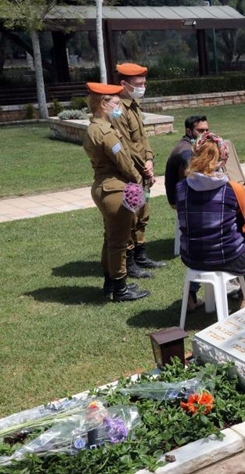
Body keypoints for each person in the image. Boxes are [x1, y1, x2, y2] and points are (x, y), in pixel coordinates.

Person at [176, 132, 245, 309]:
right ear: (223, 159)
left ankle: (191, 295)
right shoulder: (233, 189)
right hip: (227, 258)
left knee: (202, 242)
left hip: (191, 258)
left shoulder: (181, 187)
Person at [83, 82, 149, 302]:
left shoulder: (93, 128)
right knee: (119, 241)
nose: (119, 107)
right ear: (104, 104)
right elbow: (124, 163)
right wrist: (140, 179)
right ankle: (120, 289)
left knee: (110, 238)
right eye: (116, 103)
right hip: (114, 189)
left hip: (104, 187)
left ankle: (110, 283)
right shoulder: (106, 132)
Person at [113, 62, 166, 277]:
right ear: (124, 84)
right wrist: (144, 169)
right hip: (130, 174)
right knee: (131, 217)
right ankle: (130, 261)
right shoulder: (118, 109)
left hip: (143, 171)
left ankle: (141, 254)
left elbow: (143, 139)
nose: (143, 86)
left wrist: (150, 160)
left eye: (144, 82)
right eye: (138, 83)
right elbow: (126, 145)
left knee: (143, 213)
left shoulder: (135, 105)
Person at [165, 115, 209, 208]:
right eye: (201, 131)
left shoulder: (189, 145)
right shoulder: (186, 151)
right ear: (189, 131)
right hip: (183, 203)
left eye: (206, 130)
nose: (205, 134)